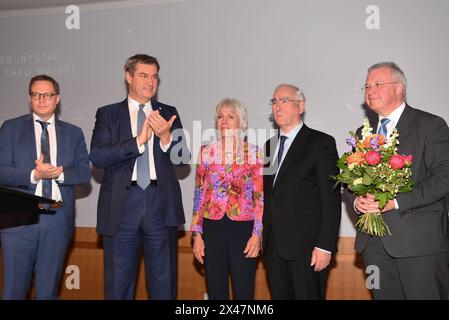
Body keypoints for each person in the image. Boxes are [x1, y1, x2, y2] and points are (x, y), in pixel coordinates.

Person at [90, 54, 189, 300]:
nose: (150, 82)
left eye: (154, 76)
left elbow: (182, 159)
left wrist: (166, 138)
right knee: (118, 287)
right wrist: (138, 142)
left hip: (160, 206)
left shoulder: (168, 112)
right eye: (144, 75)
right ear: (128, 77)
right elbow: (98, 156)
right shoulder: (108, 114)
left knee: (164, 286)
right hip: (122, 208)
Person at [354, 62, 449, 300]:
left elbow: (444, 177)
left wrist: (395, 201)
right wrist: (357, 200)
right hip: (374, 245)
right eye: (367, 86)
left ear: (399, 88)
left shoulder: (430, 125)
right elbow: (352, 181)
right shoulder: (362, 133)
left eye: (377, 84)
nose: (370, 90)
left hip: (419, 245)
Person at [0, 74, 91, 299]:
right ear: (30, 98)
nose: (41, 99)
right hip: (18, 222)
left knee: (48, 292)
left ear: (57, 98)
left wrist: (58, 174)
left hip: (57, 222)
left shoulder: (73, 133)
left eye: (47, 94)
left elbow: (83, 173)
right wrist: (34, 174)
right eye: (36, 94)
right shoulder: (10, 129)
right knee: (13, 291)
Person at [262, 84, 341, 300]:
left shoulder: (321, 143)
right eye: (274, 102)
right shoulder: (269, 147)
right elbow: (270, 196)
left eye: (284, 100)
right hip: (273, 247)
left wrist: (325, 246)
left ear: (301, 105)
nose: (278, 106)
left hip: (307, 249)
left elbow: (331, 199)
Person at [191, 98, 263, 300]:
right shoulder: (206, 152)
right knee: (216, 291)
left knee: (244, 291)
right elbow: (199, 194)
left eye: (231, 116)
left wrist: (257, 234)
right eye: (220, 116)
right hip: (212, 228)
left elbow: (260, 197)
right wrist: (197, 234)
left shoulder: (255, 153)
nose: (224, 121)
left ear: (241, 122)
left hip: (243, 229)